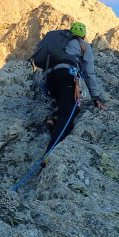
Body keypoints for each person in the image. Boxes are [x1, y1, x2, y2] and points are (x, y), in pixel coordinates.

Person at [41, 22, 106, 166]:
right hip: (66, 75)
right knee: (70, 111)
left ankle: (54, 117)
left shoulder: (61, 42)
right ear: (83, 35)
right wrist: (96, 96)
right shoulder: (83, 45)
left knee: (63, 102)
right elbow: (89, 72)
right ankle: (48, 154)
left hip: (49, 78)